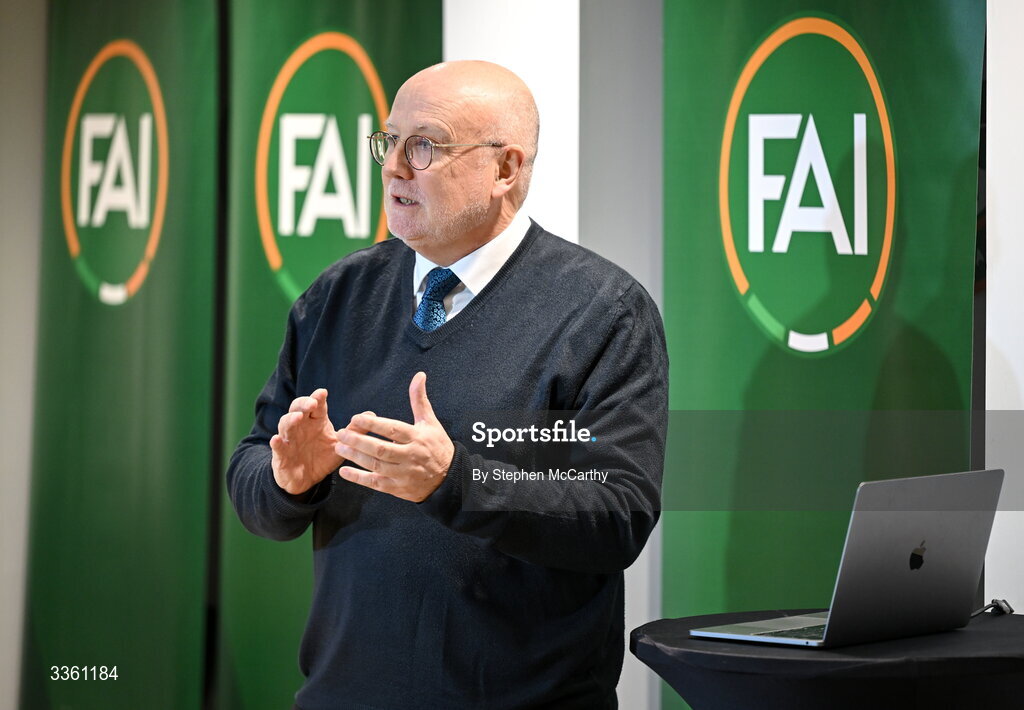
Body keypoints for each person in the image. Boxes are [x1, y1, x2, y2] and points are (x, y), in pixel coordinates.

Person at [227, 60, 668, 710]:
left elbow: (615, 513)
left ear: (505, 169)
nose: (394, 166)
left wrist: (454, 483)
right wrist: (289, 482)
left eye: (424, 145)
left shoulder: (601, 312)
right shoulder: (336, 298)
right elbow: (252, 475)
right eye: (388, 141)